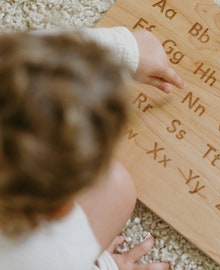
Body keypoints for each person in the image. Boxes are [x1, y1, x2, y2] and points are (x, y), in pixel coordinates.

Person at [0, 27, 184, 270]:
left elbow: (22, 59)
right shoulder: (52, 256)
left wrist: (127, 48)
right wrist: (104, 265)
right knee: (117, 188)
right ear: (60, 210)